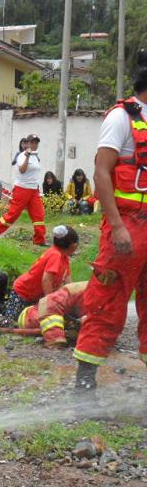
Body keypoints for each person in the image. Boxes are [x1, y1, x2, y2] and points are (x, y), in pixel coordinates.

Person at [74, 51, 147, 391]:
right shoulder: (121, 118)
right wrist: (117, 225)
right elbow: (101, 172)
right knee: (107, 302)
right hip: (127, 224)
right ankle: (84, 387)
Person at [1, 225, 78, 325]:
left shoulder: (64, 258)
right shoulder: (55, 255)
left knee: (29, 321)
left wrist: (72, 298)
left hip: (35, 297)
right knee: (9, 323)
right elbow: (46, 279)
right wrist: (50, 301)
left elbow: (68, 282)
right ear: (73, 245)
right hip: (22, 293)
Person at [0, 134, 47, 246]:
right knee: (13, 214)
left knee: (39, 214)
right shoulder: (22, 156)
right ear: (27, 144)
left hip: (34, 190)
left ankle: (40, 240)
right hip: (22, 189)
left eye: (36, 143)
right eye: (32, 142)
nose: (34, 145)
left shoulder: (36, 157)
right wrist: (27, 156)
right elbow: (22, 170)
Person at [19, 281, 88, 348]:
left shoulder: (85, 291)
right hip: (29, 316)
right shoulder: (77, 292)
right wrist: (56, 337)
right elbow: (49, 306)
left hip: (54, 313)